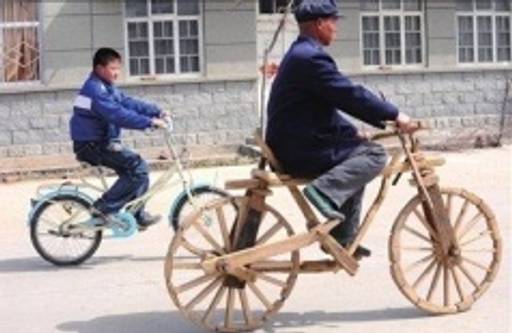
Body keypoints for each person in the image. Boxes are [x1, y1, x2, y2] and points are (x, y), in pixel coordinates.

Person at [265, 0, 416, 258]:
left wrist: (352, 132)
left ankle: (343, 237)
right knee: (374, 156)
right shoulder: (311, 58)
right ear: (320, 23)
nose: (336, 28)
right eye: (333, 21)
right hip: (300, 149)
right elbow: (348, 94)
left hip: (296, 141)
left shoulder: (300, 53)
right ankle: (324, 193)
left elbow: (322, 104)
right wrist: (394, 114)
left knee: (356, 158)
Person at [70, 47, 168, 229]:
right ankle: (103, 208)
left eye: (118, 68)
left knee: (139, 168)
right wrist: (149, 122)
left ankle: (135, 214)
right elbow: (117, 115)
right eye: (113, 68)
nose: (117, 73)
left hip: (99, 142)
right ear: (100, 68)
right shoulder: (95, 90)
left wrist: (157, 111)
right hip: (91, 145)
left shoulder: (105, 86)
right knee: (138, 168)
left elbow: (127, 102)